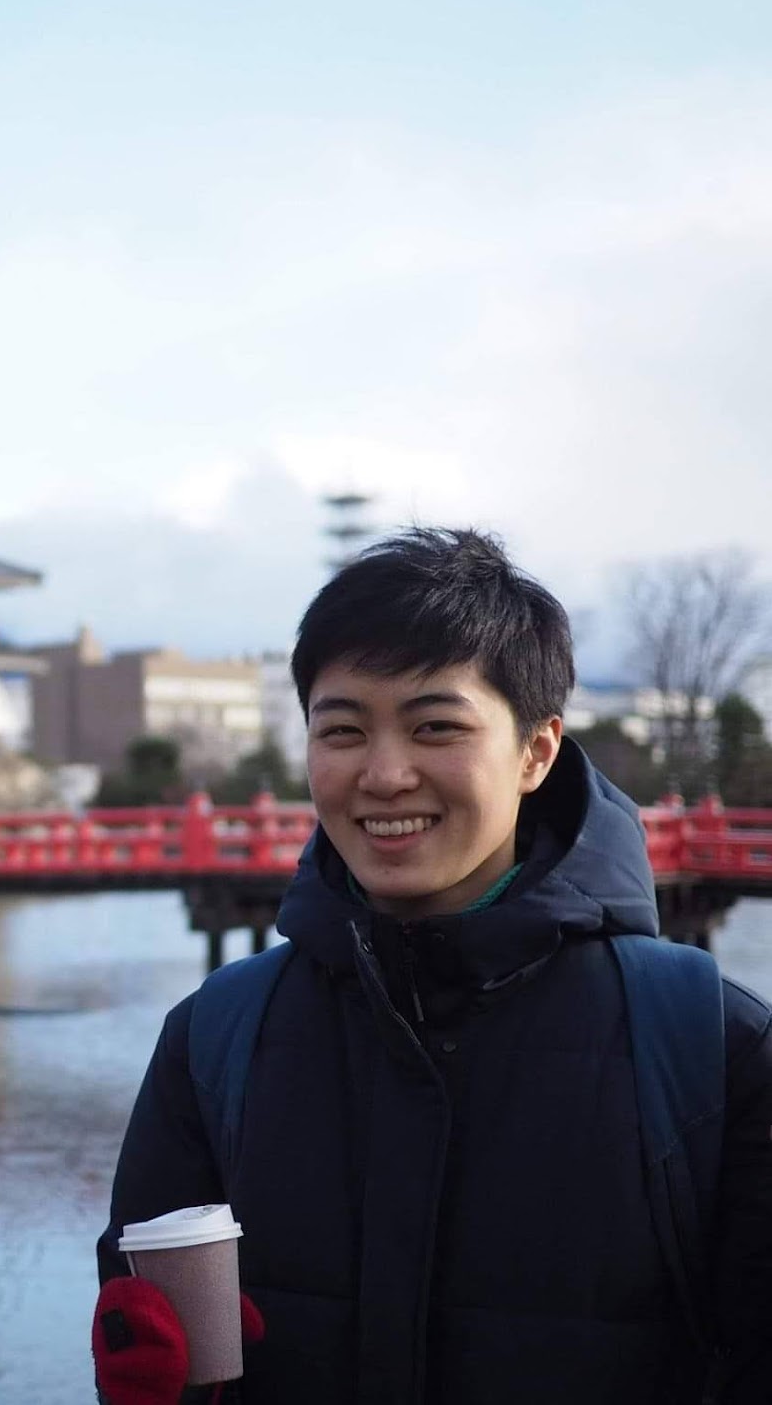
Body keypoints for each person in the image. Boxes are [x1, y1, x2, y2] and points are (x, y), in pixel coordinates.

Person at [93, 528, 772, 1404]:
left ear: (537, 751)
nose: (384, 775)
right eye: (343, 730)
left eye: (436, 727)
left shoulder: (712, 1045)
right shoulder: (216, 1037)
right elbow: (150, 1327)